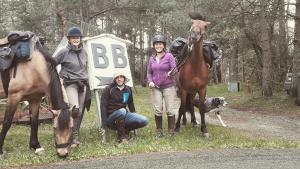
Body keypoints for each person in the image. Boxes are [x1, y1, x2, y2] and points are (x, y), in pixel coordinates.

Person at [53, 27, 90, 148]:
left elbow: (85, 67)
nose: (76, 39)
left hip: (82, 84)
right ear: (69, 39)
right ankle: (71, 138)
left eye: (78, 37)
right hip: (70, 84)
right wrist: (58, 79)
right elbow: (52, 64)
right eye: (73, 37)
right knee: (74, 111)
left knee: (80, 113)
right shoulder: (64, 51)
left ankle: (75, 134)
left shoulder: (84, 52)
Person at [100, 72, 149, 144]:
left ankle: (126, 130)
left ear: (124, 79)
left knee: (144, 120)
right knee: (122, 111)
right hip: (111, 118)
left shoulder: (128, 89)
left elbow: (130, 104)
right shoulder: (108, 89)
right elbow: (103, 106)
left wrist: (134, 115)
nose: (119, 79)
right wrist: (104, 124)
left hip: (123, 115)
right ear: (114, 80)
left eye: (121, 77)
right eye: (117, 77)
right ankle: (122, 138)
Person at [147, 34, 177, 138]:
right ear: (154, 46)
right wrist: (150, 81)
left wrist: (171, 72)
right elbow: (149, 73)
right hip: (156, 87)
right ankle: (159, 131)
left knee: (170, 109)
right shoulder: (152, 58)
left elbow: (174, 68)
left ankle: (171, 131)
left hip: (168, 86)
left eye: (160, 44)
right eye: (156, 44)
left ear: (163, 45)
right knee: (158, 109)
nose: (158, 46)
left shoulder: (169, 56)